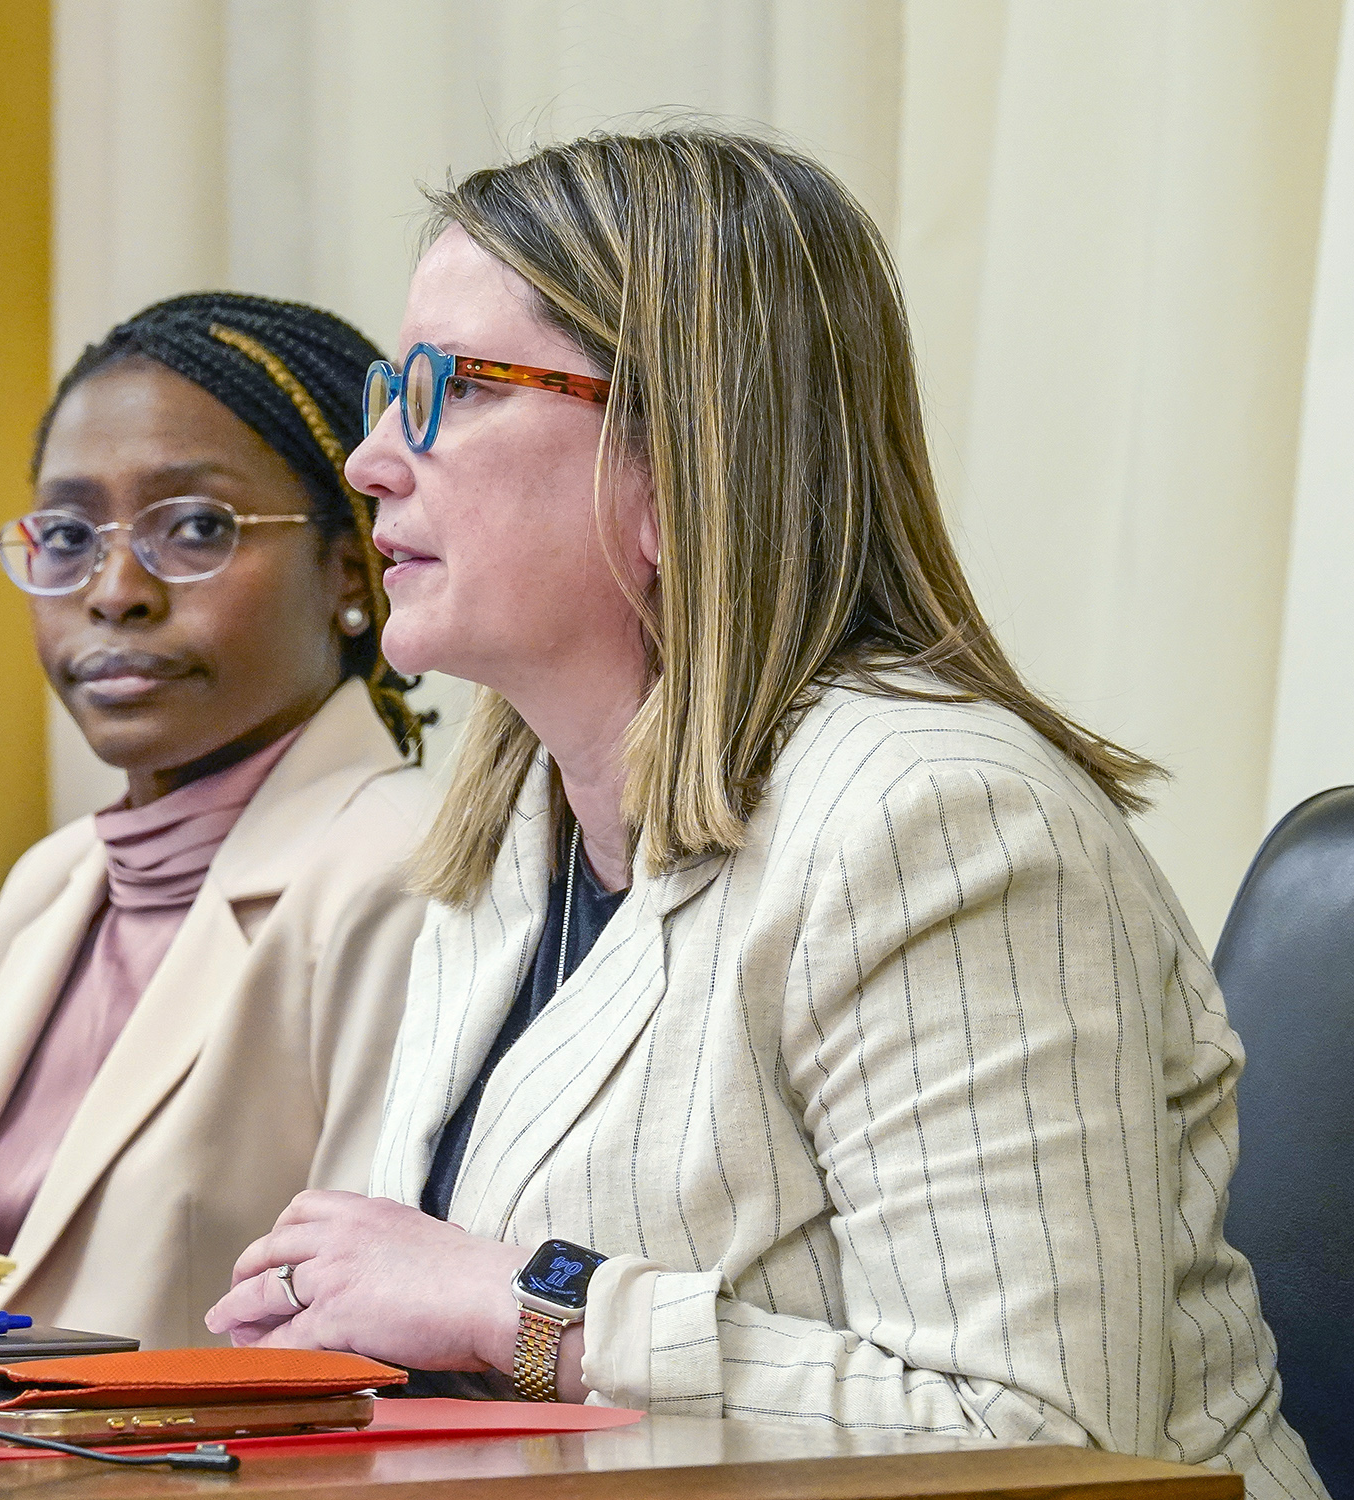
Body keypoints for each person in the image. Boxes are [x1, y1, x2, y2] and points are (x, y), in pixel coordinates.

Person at [204, 131, 1323, 1497]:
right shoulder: (510, 820)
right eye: (390, 389)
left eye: (447, 390)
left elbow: (1040, 1441)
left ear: (679, 460)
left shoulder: (941, 823)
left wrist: (521, 1311)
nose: (372, 458)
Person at [0, 293, 437, 1351]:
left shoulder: (403, 870)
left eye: (195, 527)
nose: (116, 591)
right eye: (66, 534)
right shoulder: (55, 881)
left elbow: (370, 1361)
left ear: (353, 567)